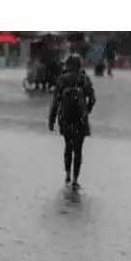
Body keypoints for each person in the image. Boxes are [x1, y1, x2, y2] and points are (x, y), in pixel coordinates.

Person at [48, 54, 96, 191]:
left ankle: (67, 174)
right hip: (80, 118)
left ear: (67, 65)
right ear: (80, 65)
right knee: (78, 149)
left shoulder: (62, 79)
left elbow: (56, 101)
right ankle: (75, 179)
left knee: (68, 146)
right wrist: (87, 110)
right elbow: (92, 99)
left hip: (65, 117)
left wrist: (51, 119)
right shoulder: (84, 79)